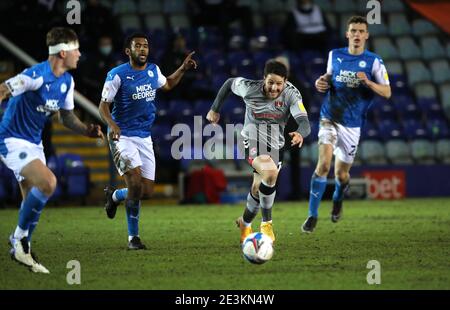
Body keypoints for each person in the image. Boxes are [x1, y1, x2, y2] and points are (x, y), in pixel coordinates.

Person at [0, 27, 104, 273]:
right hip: (12, 140)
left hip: (35, 144)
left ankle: (22, 247)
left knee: (29, 201)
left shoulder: (67, 81)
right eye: (75, 49)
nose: (79, 54)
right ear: (62, 53)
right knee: (48, 183)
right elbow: (3, 89)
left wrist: (86, 130)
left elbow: (66, 118)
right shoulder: (35, 75)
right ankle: (19, 242)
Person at [99, 33, 197, 250]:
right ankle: (133, 238)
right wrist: (112, 125)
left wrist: (182, 68)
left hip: (144, 136)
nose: (143, 49)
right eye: (138, 46)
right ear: (128, 51)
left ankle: (115, 197)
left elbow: (168, 84)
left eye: (145, 46)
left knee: (147, 192)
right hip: (122, 135)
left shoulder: (153, 70)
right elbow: (103, 106)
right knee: (134, 184)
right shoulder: (117, 75)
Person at [301, 16, 391, 233]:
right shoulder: (335, 55)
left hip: (352, 125)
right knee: (323, 165)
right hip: (329, 117)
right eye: (353, 30)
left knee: (341, 175)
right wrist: (320, 82)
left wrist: (368, 82)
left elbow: (387, 92)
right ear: (347, 34)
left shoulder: (374, 62)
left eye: (361, 31)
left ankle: (338, 198)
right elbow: (328, 78)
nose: (357, 34)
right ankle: (312, 216)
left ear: (367, 35)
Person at [206, 60, 311, 244]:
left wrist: (300, 134)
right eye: (270, 82)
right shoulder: (249, 88)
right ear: (264, 79)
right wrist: (215, 109)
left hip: (276, 144)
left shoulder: (292, 94)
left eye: (279, 83)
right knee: (270, 174)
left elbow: (304, 123)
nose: (274, 87)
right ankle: (266, 224)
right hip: (252, 139)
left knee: (257, 189)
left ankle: (245, 223)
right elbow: (230, 83)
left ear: (285, 82)